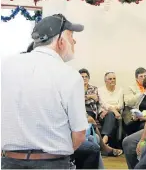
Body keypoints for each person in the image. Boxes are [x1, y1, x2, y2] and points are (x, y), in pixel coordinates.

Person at [1, 14, 88, 169]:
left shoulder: (6, 66)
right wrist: (58, 152)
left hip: (9, 162)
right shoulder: (68, 75)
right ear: (61, 42)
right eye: (71, 36)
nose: (74, 41)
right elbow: (79, 134)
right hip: (52, 163)